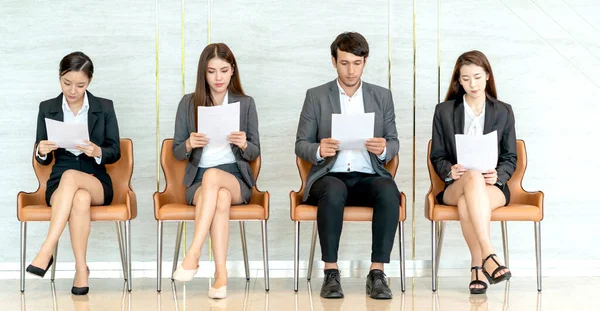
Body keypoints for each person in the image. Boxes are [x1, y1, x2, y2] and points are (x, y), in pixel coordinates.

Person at [295, 32, 400, 300]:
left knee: (388, 189)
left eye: (356, 62)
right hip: (330, 174)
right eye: (344, 63)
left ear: (365, 61)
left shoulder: (381, 96)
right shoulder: (316, 96)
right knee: (332, 189)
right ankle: (331, 272)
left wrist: (384, 148)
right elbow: (301, 144)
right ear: (333, 61)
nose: (350, 70)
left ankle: (377, 273)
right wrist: (319, 149)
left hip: (368, 174)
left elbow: (394, 141)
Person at [27, 51, 121, 296]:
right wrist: (42, 150)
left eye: (80, 85)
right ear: (60, 78)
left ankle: (47, 249)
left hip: (96, 178)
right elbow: (42, 154)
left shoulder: (104, 107)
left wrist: (97, 150)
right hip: (60, 181)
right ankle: (81, 269)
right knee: (78, 197)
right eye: (67, 83)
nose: (72, 90)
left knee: (73, 179)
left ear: (89, 82)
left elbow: (115, 151)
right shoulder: (47, 108)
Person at [171, 43, 260, 300]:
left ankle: (193, 254)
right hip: (198, 181)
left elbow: (254, 151)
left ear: (233, 71)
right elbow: (177, 151)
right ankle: (221, 276)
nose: (218, 78)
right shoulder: (188, 103)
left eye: (223, 70)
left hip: (235, 177)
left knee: (215, 180)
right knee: (217, 196)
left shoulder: (245, 103)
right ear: (204, 73)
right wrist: (189, 143)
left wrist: (244, 143)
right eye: (212, 71)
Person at [430, 50, 516, 294]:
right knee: (471, 178)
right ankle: (489, 252)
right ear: (458, 80)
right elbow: (437, 155)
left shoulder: (503, 111)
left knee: (471, 200)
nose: (473, 84)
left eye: (477, 77)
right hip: (455, 186)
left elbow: (511, 157)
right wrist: (450, 169)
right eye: (466, 79)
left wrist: (499, 174)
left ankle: (477, 267)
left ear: (488, 75)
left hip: (492, 188)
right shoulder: (444, 111)